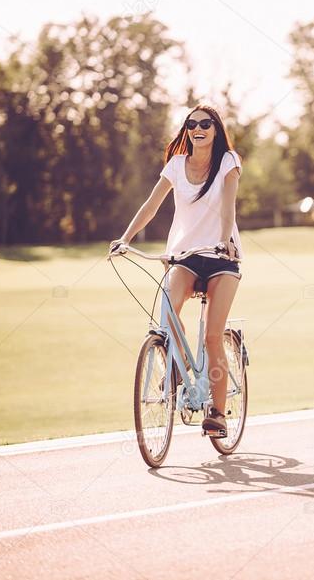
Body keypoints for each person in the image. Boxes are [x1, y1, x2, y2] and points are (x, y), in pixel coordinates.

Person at [110, 104, 242, 437]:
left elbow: (228, 205)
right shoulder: (176, 165)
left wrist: (225, 241)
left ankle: (218, 413)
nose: (198, 128)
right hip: (183, 256)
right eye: (192, 123)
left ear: (215, 130)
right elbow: (151, 205)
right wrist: (125, 239)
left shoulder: (228, 162)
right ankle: (181, 369)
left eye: (206, 124)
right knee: (166, 313)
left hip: (221, 257)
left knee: (213, 335)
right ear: (186, 130)